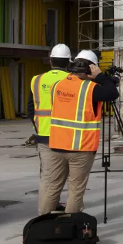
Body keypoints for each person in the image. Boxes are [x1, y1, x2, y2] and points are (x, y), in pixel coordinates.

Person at [40, 50, 119, 215]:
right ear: (90, 68)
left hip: (56, 146)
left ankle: (43, 223)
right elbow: (112, 93)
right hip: (81, 148)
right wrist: (100, 77)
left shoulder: (57, 86)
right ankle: (70, 227)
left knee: (52, 187)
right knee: (75, 190)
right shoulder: (91, 88)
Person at [27, 44, 72, 213]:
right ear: (68, 62)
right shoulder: (72, 80)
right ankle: (60, 211)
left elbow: (31, 109)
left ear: (51, 61)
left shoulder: (36, 80)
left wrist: (39, 126)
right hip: (67, 135)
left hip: (44, 135)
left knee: (47, 177)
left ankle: (46, 211)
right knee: (68, 176)